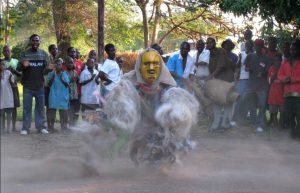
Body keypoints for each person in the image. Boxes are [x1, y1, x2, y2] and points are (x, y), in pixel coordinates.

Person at [100, 48, 199, 164]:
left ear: (161, 67)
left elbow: (177, 112)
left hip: (159, 130)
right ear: (140, 67)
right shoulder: (128, 84)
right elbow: (119, 108)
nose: (151, 69)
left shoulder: (169, 88)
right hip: (140, 128)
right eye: (147, 64)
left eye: (155, 64)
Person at [17, 34, 52, 135]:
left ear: (39, 42)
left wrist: (48, 69)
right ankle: (25, 128)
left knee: (40, 108)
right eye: (33, 40)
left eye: (37, 41)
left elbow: (45, 72)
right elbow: (19, 68)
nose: (35, 42)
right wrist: (24, 66)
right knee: (27, 108)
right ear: (30, 41)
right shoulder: (24, 54)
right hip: (27, 86)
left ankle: (41, 127)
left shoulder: (44, 54)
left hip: (40, 86)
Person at [205, 37, 235, 131]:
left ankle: (225, 125)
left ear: (214, 43)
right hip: (218, 81)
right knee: (216, 102)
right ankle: (216, 125)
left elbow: (220, 67)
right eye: (207, 43)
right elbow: (212, 69)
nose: (208, 44)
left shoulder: (221, 51)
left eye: (210, 42)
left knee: (227, 103)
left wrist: (211, 76)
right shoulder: (210, 54)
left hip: (226, 80)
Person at [245, 39, 270, 132]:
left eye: (260, 46)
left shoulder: (266, 58)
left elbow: (268, 70)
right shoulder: (250, 56)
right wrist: (248, 68)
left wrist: (262, 73)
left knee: (262, 105)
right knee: (252, 105)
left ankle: (260, 124)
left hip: (262, 86)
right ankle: (253, 123)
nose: (258, 47)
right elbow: (245, 67)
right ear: (254, 46)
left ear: (262, 47)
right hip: (251, 85)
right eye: (256, 45)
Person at [278, 39, 300, 139]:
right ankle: (293, 133)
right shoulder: (285, 63)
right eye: (291, 50)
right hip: (287, 93)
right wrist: (285, 79)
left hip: (298, 93)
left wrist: (292, 79)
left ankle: (297, 134)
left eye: (294, 49)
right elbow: (279, 75)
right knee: (288, 115)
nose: (292, 51)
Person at [48, 58, 70, 131]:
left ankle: (64, 127)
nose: (58, 66)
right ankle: (51, 127)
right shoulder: (51, 73)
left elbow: (67, 84)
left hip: (63, 95)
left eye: (60, 65)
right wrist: (53, 77)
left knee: (63, 111)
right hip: (53, 95)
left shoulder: (64, 74)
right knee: (52, 111)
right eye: (57, 65)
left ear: (62, 66)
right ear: (55, 66)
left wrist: (61, 79)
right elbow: (49, 84)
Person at [3, 45, 21, 132]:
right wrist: (6, 69)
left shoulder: (16, 61)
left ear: (11, 52)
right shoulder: (1, 62)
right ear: (3, 52)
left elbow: (21, 74)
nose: (7, 52)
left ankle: (13, 126)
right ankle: (3, 127)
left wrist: (14, 71)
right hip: (3, 89)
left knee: (14, 107)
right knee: (3, 106)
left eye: (8, 51)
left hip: (14, 87)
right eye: (5, 51)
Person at [267, 53, 284, 129]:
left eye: (279, 60)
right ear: (273, 61)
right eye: (275, 61)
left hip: (282, 93)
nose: (277, 62)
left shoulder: (284, 68)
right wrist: (276, 70)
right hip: (273, 93)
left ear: (281, 61)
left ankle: (281, 125)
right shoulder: (271, 68)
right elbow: (270, 80)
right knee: (273, 112)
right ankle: (276, 126)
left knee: (283, 111)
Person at [45, 44, 59, 130]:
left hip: (56, 86)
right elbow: (48, 68)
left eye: (56, 49)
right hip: (47, 85)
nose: (55, 50)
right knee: (48, 106)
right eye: (53, 49)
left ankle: (52, 126)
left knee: (54, 106)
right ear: (50, 50)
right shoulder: (47, 59)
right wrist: (55, 60)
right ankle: (49, 125)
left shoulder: (58, 60)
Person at [0, 59, 15, 133]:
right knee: (1, 113)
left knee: (9, 113)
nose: (2, 66)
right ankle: (2, 128)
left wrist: (10, 80)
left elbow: (13, 83)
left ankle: (8, 128)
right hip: (1, 97)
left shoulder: (8, 73)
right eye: (1, 64)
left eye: (3, 64)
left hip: (8, 95)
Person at [65, 56, 79, 126]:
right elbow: (64, 84)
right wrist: (71, 80)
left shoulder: (75, 72)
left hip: (75, 95)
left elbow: (77, 82)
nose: (70, 64)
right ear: (65, 64)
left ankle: (73, 124)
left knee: (75, 110)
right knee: (69, 110)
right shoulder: (64, 73)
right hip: (67, 95)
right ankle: (69, 124)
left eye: (71, 63)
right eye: (68, 63)